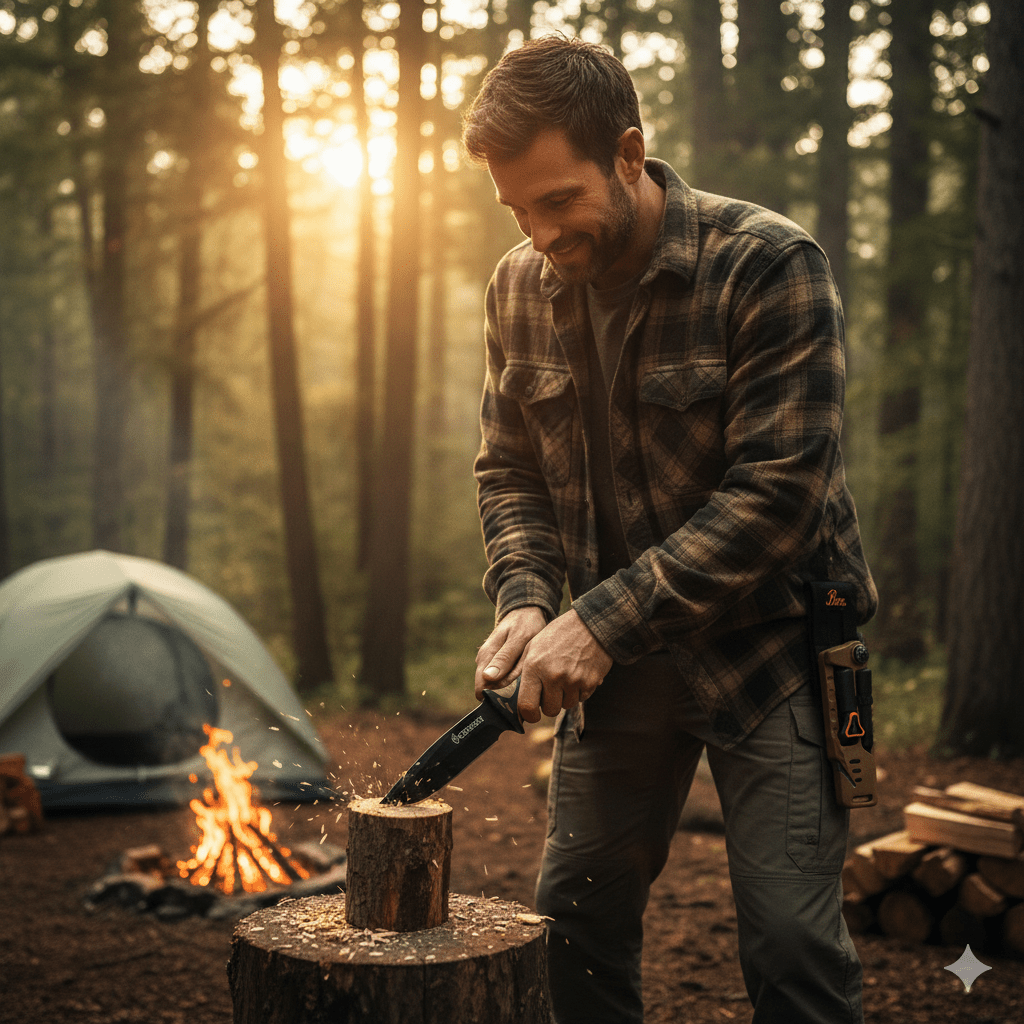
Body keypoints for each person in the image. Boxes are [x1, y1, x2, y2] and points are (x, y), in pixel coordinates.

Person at [462, 35, 877, 1024]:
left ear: (629, 152)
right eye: (516, 209)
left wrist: (595, 619)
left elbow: (778, 497)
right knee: (573, 916)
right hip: (622, 663)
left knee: (790, 939)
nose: (538, 232)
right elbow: (508, 469)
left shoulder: (769, 264)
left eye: (558, 200)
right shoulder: (516, 287)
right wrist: (525, 599)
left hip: (774, 647)